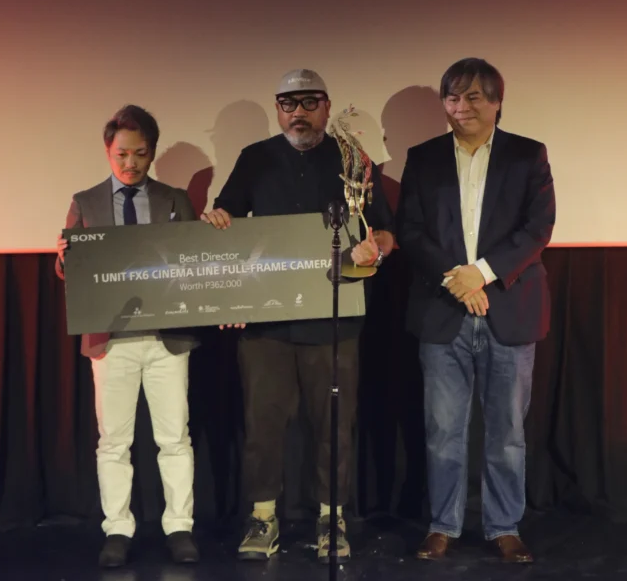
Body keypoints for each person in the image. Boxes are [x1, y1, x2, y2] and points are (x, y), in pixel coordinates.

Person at [202, 69, 395, 563]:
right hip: (267, 324)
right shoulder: (255, 158)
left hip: (335, 317)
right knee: (262, 423)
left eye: (310, 102)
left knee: (334, 425)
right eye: (288, 104)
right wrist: (216, 221)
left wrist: (376, 248)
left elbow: (384, 231)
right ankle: (263, 517)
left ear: (327, 107)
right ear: (278, 110)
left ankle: (331, 518)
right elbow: (225, 220)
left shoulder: (353, 159)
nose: (299, 113)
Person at [396, 58, 556, 564]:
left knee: (506, 433)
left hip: (510, 309)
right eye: (452, 97)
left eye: (472, 97)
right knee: (443, 430)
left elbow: (538, 228)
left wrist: (482, 273)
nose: (460, 107)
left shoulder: (527, 155)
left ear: (496, 102)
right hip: (442, 311)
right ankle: (443, 525)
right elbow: (410, 230)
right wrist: (457, 280)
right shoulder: (423, 158)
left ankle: (504, 526)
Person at [55, 105, 200, 568]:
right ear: (107, 151)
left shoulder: (175, 200)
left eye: (139, 153)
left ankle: (179, 527)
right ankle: (117, 529)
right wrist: (64, 259)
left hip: (165, 336)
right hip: (110, 339)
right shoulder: (85, 202)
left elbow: (194, 262)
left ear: (152, 152)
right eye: (122, 153)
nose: (130, 163)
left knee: (174, 437)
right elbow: (69, 270)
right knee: (113, 442)